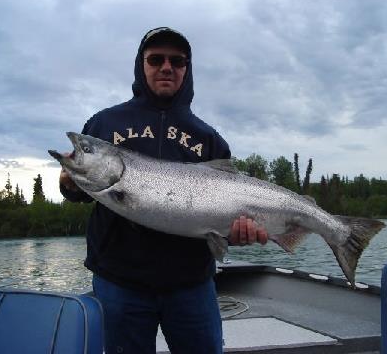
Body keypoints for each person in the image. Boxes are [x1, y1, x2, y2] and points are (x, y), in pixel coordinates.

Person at [59, 27, 268, 354]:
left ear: (187, 68)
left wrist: (236, 233)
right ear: (141, 65)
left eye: (177, 60)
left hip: (192, 286)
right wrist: (68, 182)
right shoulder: (102, 125)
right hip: (119, 283)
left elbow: (221, 220)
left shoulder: (209, 138)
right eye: (156, 59)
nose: (166, 67)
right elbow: (79, 193)